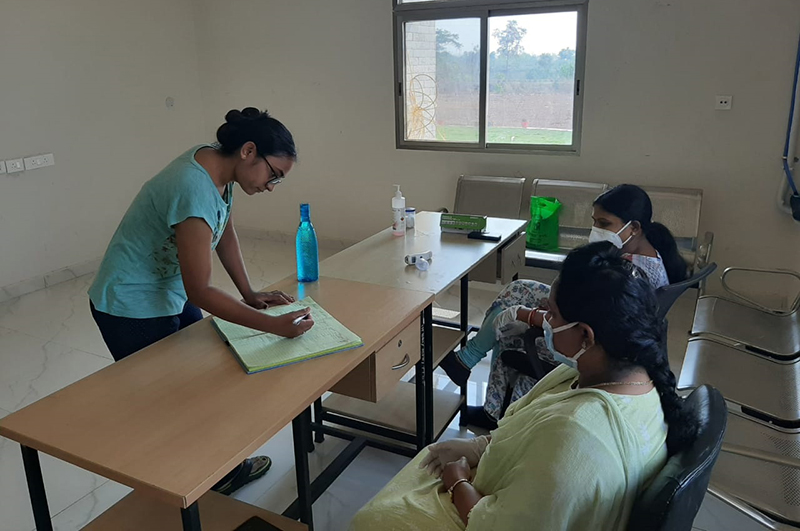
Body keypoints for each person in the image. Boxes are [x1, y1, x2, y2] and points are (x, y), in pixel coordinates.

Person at [350, 242, 698, 531]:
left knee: (370, 521)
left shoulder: (575, 436)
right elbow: (529, 438)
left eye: (553, 315)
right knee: (423, 465)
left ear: (586, 335)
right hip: (504, 487)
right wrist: (480, 447)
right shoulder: (629, 377)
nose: (544, 320)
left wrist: (457, 481)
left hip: (483, 512)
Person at [88, 107, 314, 495]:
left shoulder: (218, 168)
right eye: (273, 175)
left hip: (169, 291)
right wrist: (274, 326)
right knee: (172, 399)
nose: (271, 186)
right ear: (248, 151)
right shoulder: (192, 186)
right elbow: (202, 291)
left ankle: (217, 471)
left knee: (202, 380)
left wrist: (249, 293)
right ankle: (190, 485)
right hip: (130, 303)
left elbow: (223, 231)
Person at [440, 183, 688, 429]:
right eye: (594, 222)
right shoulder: (647, 256)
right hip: (611, 338)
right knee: (517, 290)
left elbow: (587, 326)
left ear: (634, 227)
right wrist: (543, 307)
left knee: (509, 331)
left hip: (599, 350)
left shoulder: (632, 274)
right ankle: (471, 368)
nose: (596, 230)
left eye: (604, 224)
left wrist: (528, 315)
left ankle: (495, 410)